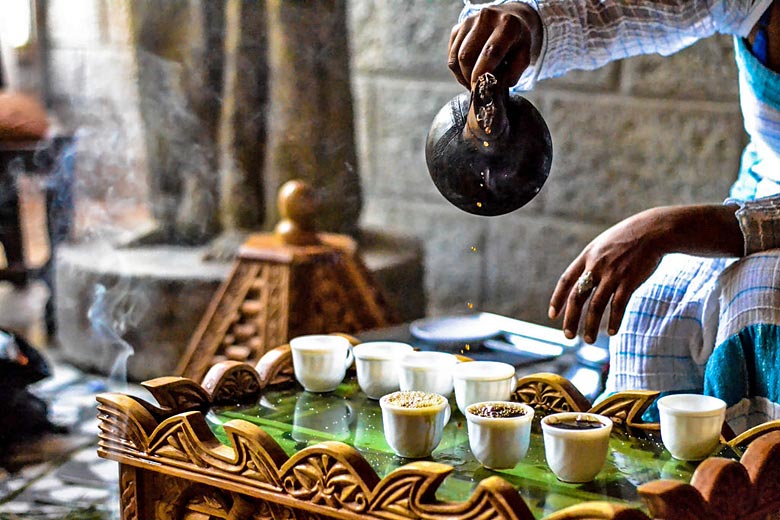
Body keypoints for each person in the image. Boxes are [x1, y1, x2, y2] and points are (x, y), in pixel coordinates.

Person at [449, 0, 779, 431]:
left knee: (757, 299)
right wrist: (529, 21)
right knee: (651, 307)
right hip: (758, 192)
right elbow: (607, 11)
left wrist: (668, 229)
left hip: (758, 229)